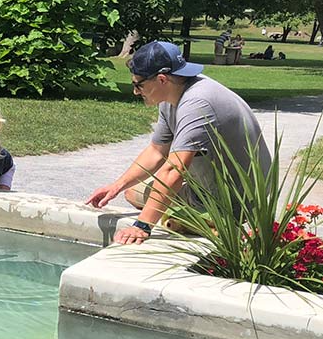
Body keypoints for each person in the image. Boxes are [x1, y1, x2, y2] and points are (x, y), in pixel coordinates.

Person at [85, 41, 270, 245]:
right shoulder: (172, 96)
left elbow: (174, 170)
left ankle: (218, 224)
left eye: (139, 85)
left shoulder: (197, 103)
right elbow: (157, 151)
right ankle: (197, 219)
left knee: (165, 214)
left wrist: (142, 226)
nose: (136, 92)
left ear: (162, 79)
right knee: (132, 192)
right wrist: (116, 186)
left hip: (237, 201)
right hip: (205, 190)